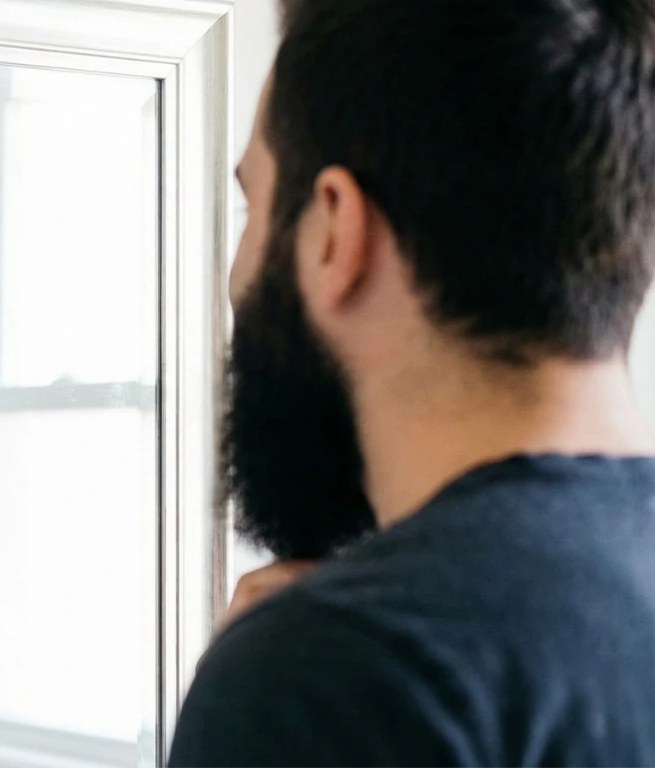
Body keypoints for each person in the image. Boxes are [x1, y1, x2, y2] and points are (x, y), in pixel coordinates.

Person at [171, 0, 655, 763]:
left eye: (252, 206)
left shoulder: (333, 671)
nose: (236, 276)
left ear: (335, 230)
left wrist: (271, 683)